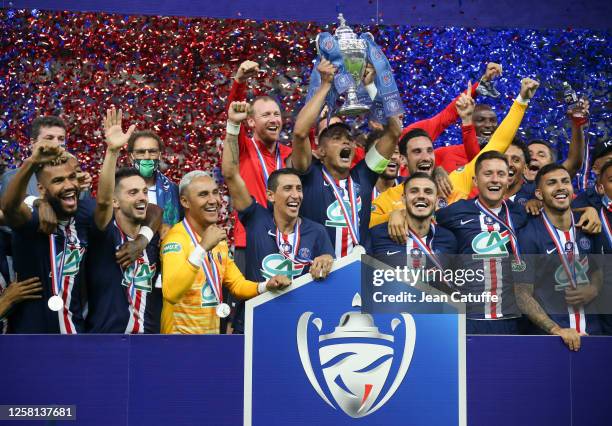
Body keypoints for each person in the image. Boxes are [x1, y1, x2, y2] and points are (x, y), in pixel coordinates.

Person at [370, 77, 540, 230]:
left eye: (430, 151)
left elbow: (498, 143)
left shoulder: (455, 182)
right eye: (417, 152)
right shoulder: (388, 198)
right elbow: (364, 225)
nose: (425, 157)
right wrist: (394, 215)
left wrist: (522, 100)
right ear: (403, 160)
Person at [223, 101, 335, 333]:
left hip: (302, 325)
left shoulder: (316, 231)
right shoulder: (256, 221)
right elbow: (230, 174)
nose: (295, 195)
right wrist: (233, 124)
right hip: (261, 323)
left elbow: (327, 261)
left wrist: (327, 260)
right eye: (288, 189)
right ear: (270, 195)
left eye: (299, 189)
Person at [160, 170, 291, 334]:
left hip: (211, 340)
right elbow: (171, 293)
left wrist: (267, 285)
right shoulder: (175, 239)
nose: (214, 200)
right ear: (185, 202)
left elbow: (237, 284)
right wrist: (202, 248)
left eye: (215, 192)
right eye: (203, 194)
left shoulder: (217, 240)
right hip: (178, 343)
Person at [225, 59, 312, 274]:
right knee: (248, 305)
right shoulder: (244, 146)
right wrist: (240, 82)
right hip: (250, 239)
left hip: (288, 240)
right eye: (266, 115)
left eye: (276, 114)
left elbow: (304, 140)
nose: (274, 119)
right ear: (251, 122)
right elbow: (234, 114)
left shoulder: (287, 154)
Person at [85, 108, 164, 334]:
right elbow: (102, 203)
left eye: (143, 192)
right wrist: (112, 151)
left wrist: (142, 240)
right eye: (132, 193)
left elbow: (155, 210)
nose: (141, 197)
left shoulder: (152, 238)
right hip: (106, 342)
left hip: (148, 342)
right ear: (115, 202)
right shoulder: (105, 234)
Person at [1, 144, 92, 333]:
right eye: (58, 181)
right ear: (41, 189)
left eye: (72, 177)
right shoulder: (33, 220)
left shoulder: (85, 215)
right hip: (30, 337)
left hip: (74, 334)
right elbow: (9, 207)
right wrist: (32, 162)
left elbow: (119, 205)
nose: (69, 185)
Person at [436, 151, 528, 333]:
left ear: (508, 180)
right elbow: (421, 221)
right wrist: (399, 215)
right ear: (476, 181)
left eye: (501, 174)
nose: (495, 179)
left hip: (509, 318)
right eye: (488, 174)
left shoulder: (519, 213)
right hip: (469, 318)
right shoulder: (455, 212)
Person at [515, 164, 602, 351]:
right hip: (552, 341)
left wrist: (594, 288)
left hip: (594, 335)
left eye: (565, 182)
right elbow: (521, 294)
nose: (561, 187)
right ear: (539, 194)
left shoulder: (588, 225)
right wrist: (556, 329)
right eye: (552, 183)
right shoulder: (529, 235)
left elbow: (599, 270)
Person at [369, 173, 456, 292]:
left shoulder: (448, 239)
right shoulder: (377, 235)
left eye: (428, 192)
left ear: (436, 200)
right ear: (403, 199)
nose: (421, 196)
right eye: (414, 191)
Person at [523, 98, 590, 183]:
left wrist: (576, 122)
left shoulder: (554, 181)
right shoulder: (506, 180)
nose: (533, 158)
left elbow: (574, 163)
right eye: (529, 155)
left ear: (551, 165)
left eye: (541, 155)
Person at [127, 129, 181, 234]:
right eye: (141, 152)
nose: (147, 157)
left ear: (159, 156)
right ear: (131, 157)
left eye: (152, 152)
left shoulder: (174, 191)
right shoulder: (118, 189)